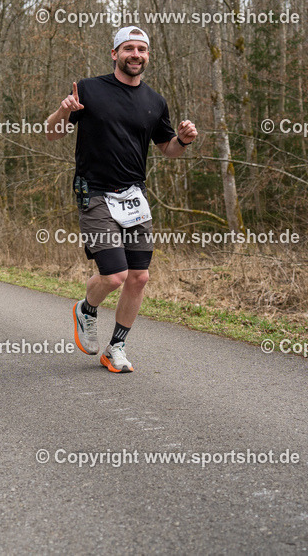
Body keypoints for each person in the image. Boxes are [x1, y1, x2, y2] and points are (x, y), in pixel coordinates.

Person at [45, 26, 198, 373]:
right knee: (114, 276)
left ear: (147, 56)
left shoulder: (155, 101)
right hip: (95, 192)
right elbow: (53, 133)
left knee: (139, 277)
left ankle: (116, 346)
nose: (136, 55)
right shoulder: (89, 89)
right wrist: (63, 110)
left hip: (134, 196)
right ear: (114, 54)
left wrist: (184, 140)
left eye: (142, 49)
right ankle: (86, 308)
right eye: (128, 48)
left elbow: (168, 149)